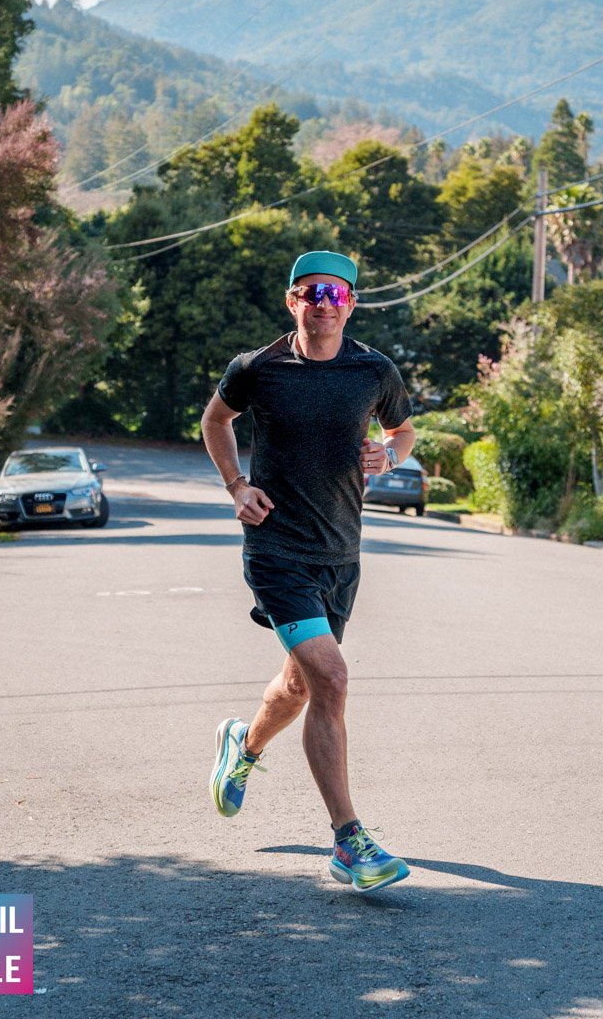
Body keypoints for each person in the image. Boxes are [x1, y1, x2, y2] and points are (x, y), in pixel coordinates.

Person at [201, 250, 416, 893]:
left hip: (341, 554)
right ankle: (349, 841)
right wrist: (237, 485)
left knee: (301, 685)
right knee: (333, 678)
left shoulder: (373, 370)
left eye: (338, 294)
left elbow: (402, 432)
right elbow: (216, 421)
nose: (325, 302)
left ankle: (243, 747)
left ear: (350, 305)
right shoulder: (257, 368)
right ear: (292, 300)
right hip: (276, 548)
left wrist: (389, 454)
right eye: (312, 292)